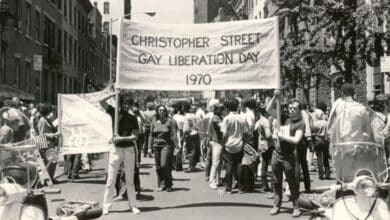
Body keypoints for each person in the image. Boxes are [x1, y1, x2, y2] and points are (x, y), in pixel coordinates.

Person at [99, 91, 140, 215]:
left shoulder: (133, 118)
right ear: (121, 103)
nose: (127, 106)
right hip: (116, 150)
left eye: (129, 103)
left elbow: (135, 136)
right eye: (125, 103)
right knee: (111, 179)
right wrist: (114, 93)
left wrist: (121, 138)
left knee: (130, 180)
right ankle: (107, 206)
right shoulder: (114, 113)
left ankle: (133, 205)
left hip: (128, 150)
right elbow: (101, 101)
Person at [270, 98, 303, 218]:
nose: (292, 110)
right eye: (290, 108)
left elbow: (296, 140)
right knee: (276, 181)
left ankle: (296, 207)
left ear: (299, 110)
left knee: (292, 182)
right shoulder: (284, 118)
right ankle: (276, 205)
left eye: (295, 108)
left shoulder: (300, 123)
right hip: (276, 154)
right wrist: (275, 97)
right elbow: (268, 110)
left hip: (288, 156)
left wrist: (283, 137)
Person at [221, 97, 248, 194]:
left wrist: (223, 144)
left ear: (227, 108)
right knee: (239, 165)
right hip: (239, 144)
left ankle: (228, 188)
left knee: (229, 166)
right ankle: (241, 187)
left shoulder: (226, 119)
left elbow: (224, 134)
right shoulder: (241, 118)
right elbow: (245, 133)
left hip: (229, 145)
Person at [148, 105, 178, 191]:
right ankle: (162, 184)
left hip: (166, 145)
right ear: (157, 111)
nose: (161, 112)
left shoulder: (170, 121)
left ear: (166, 112)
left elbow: (174, 134)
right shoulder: (154, 121)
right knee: (158, 166)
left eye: (163, 110)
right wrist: (149, 147)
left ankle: (168, 184)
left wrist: (176, 146)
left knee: (164, 165)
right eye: (160, 110)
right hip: (156, 146)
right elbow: (151, 135)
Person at [37, 103, 59, 182]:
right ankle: (49, 178)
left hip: (51, 143)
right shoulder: (42, 120)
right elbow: (42, 134)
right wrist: (54, 134)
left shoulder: (46, 119)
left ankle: (51, 177)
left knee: (53, 161)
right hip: (47, 143)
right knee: (49, 161)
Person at [255, 103, 273, 192]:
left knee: (264, 165)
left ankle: (264, 185)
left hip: (262, 144)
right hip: (268, 144)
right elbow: (268, 135)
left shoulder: (259, 120)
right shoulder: (265, 121)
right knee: (272, 164)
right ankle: (272, 185)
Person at [207, 103, 224, 189]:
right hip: (216, 142)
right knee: (216, 162)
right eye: (221, 109)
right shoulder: (215, 118)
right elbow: (222, 127)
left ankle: (218, 179)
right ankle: (212, 181)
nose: (223, 111)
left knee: (219, 162)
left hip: (219, 142)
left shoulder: (219, 117)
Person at [312, 110, 330, 179]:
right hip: (325, 141)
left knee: (319, 158)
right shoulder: (327, 123)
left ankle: (321, 174)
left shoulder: (314, 123)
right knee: (326, 157)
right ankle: (327, 173)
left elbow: (312, 132)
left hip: (317, 140)